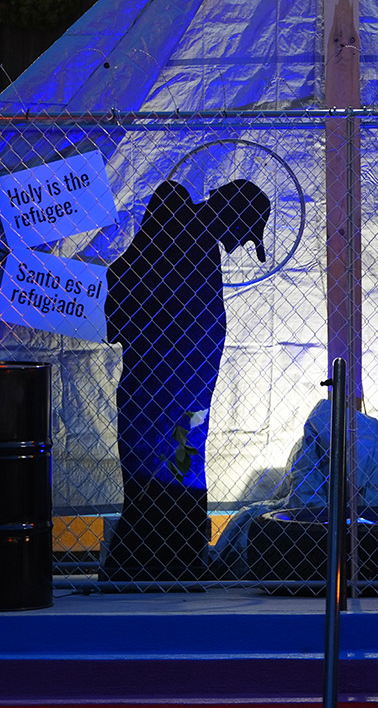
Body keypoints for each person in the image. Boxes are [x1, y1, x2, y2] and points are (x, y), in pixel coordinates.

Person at [102, 178, 270, 581]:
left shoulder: (195, 240)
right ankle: (151, 564)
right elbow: (127, 294)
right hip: (160, 389)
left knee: (181, 467)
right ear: (231, 215)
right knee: (161, 469)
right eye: (242, 234)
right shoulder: (178, 227)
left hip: (187, 392)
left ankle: (172, 561)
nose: (237, 246)